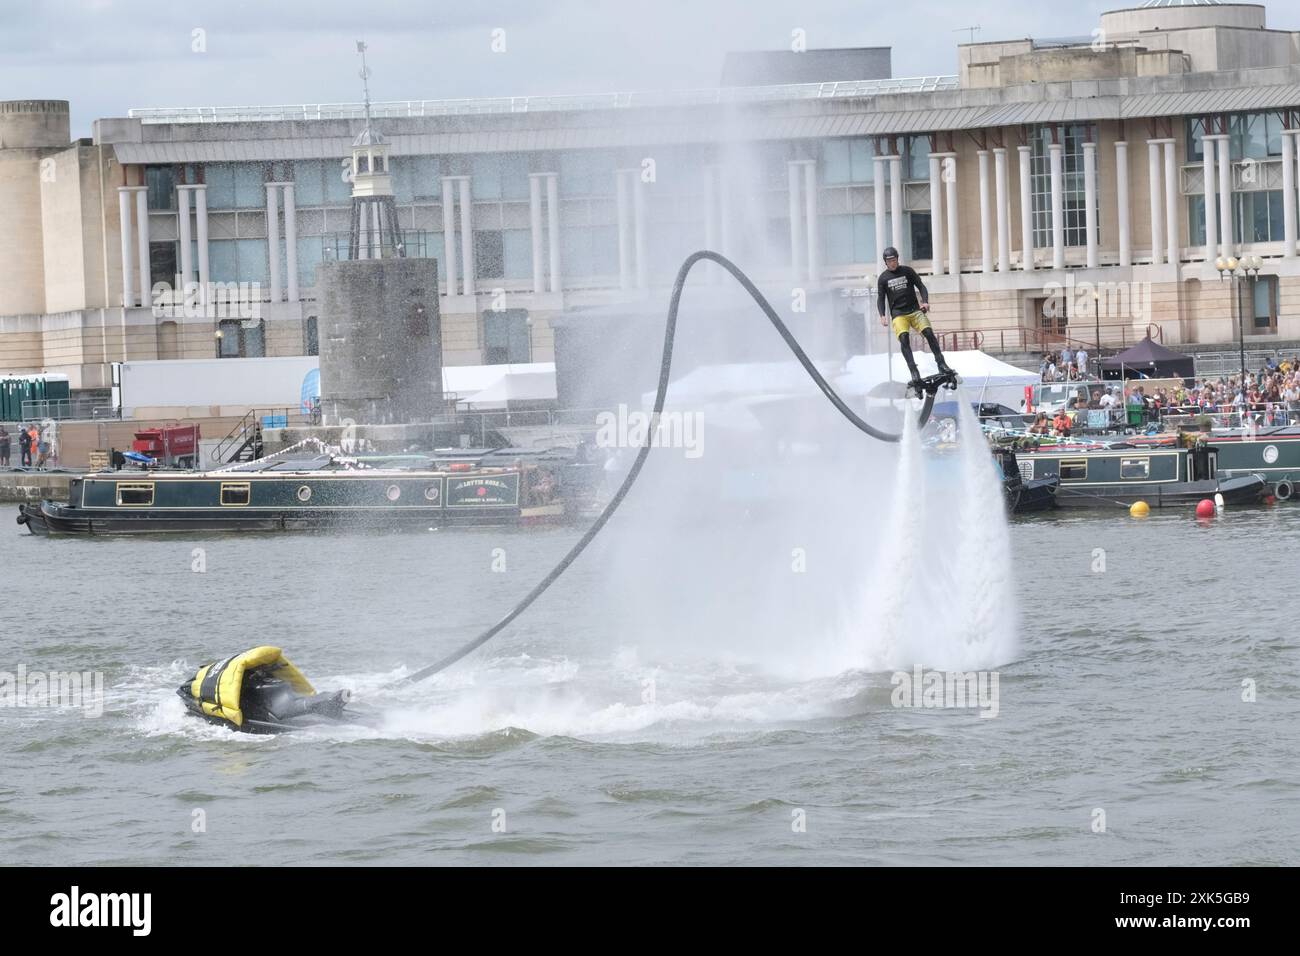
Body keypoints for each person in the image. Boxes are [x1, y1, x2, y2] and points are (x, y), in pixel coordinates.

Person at [876, 246, 954, 391]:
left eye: (894, 260)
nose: (892, 263)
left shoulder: (907, 271)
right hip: (899, 314)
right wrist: (882, 315)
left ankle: (941, 363)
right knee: (904, 338)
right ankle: (914, 371)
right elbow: (881, 299)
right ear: (885, 262)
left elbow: (921, 286)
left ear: (897, 259)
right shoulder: (883, 278)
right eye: (889, 261)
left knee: (929, 333)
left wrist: (925, 302)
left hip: (914, 310)